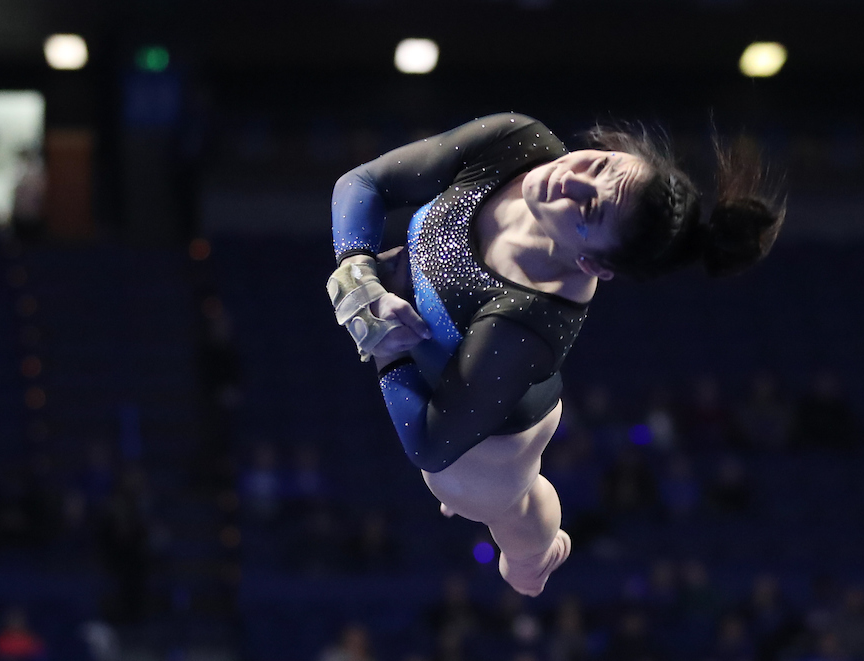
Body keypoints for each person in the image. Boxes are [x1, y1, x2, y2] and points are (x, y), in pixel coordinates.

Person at [329, 113, 784, 596]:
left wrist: (384, 342)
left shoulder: (528, 318)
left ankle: (537, 557)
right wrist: (356, 266)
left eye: (589, 211)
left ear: (591, 265)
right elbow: (363, 182)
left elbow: (431, 447)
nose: (569, 180)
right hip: (484, 385)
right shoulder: (520, 143)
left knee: (517, 512)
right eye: (601, 166)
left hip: (485, 457)